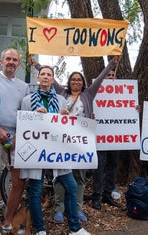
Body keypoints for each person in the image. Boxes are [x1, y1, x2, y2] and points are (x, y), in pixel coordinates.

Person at [31, 56, 119, 223]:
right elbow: (50, 78)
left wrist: (112, 63)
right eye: (73, 79)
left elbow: (101, 78)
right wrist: (37, 65)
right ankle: (59, 208)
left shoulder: (88, 94)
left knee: (79, 176)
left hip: (81, 142)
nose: (76, 82)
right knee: (60, 174)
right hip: (62, 140)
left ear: (83, 82)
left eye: (79, 80)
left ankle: (77, 208)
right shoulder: (62, 93)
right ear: (69, 82)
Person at [20, 65, 90, 235]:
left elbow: (62, 126)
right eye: (42, 74)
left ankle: (74, 227)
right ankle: (40, 229)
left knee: (71, 186)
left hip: (57, 149)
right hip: (37, 150)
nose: (45, 77)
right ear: (38, 78)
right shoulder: (27, 100)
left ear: (52, 79)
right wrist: (36, 115)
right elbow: (24, 125)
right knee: (36, 190)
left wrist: (64, 117)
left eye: (49, 75)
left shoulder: (60, 100)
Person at [0, 48, 30, 234]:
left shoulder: (24, 86)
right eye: (8, 59)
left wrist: (18, 137)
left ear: (19, 64)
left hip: (15, 138)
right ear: (1, 61)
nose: (11, 62)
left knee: (19, 182)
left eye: (15, 60)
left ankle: (8, 220)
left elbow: (26, 114)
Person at [90, 67, 123, 210]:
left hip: (115, 136)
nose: (110, 77)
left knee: (112, 165)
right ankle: (96, 195)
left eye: (112, 75)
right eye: (107, 75)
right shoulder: (95, 92)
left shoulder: (123, 92)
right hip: (100, 135)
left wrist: (135, 109)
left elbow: (126, 109)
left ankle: (108, 193)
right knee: (99, 167)